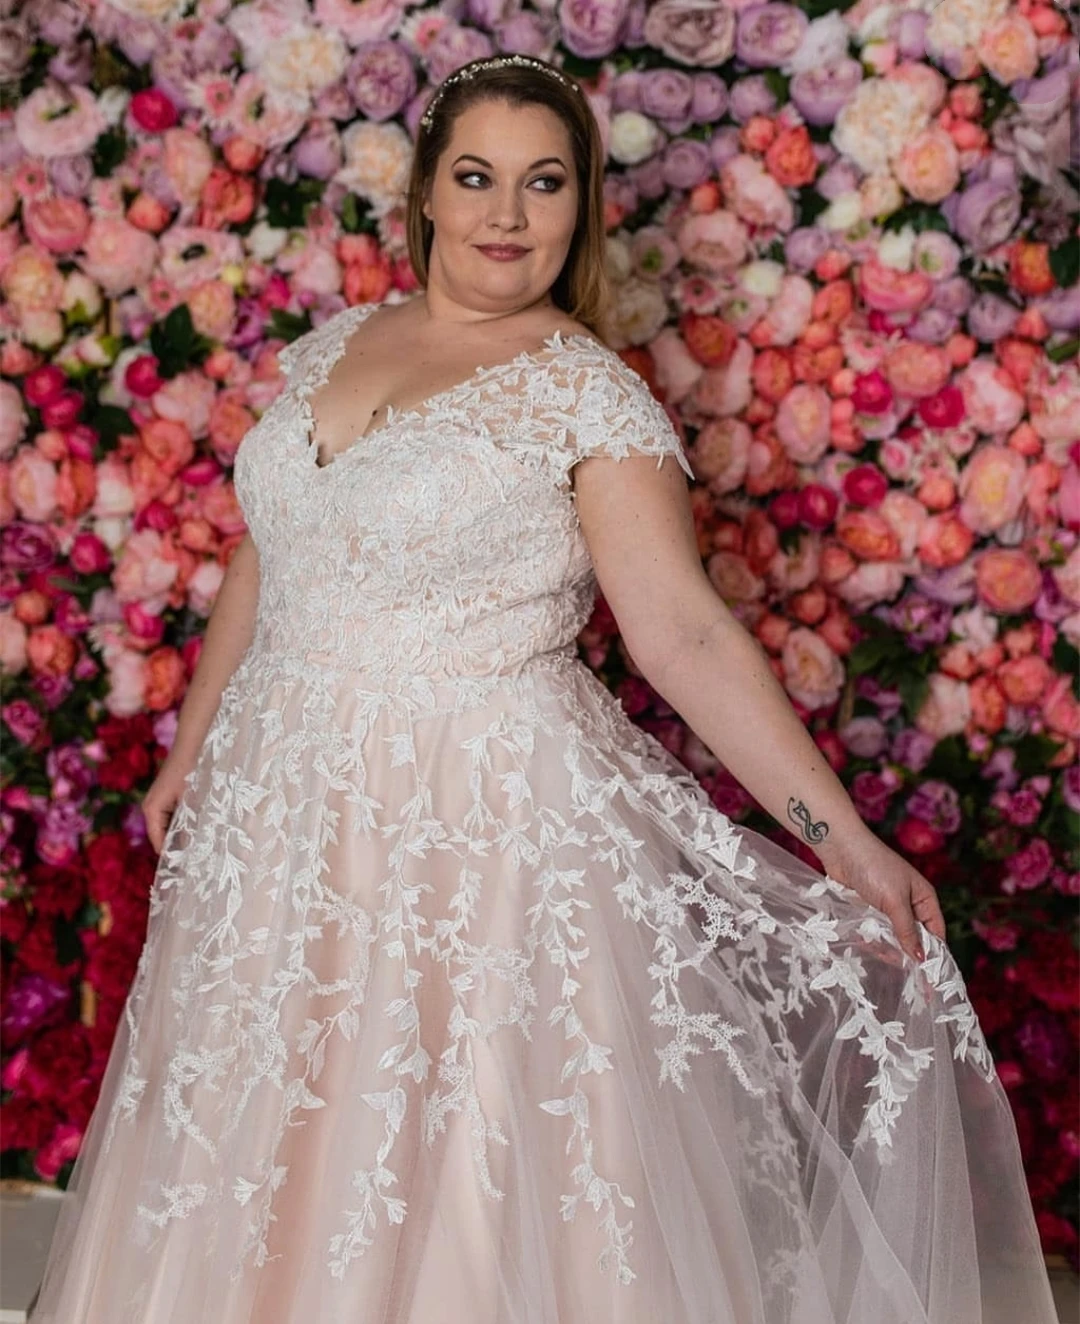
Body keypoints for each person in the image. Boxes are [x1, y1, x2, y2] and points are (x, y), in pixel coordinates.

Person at [29, 53, 1059, 1324]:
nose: (507, 214)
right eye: (477, 177)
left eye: (544, 182)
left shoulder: (585, 390)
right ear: (423, 193)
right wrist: (193, 750)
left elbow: (682, 635)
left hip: (478, 827)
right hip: (284, 813)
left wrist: (839, 837)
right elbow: (270, 549)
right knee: (270, 1143)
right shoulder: (337, 345)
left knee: (463, 1155)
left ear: (581, 206)